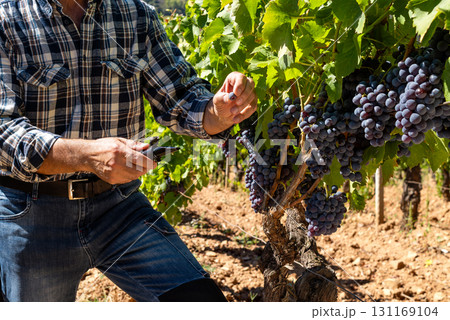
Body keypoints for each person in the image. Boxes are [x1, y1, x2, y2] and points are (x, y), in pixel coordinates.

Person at [0, 0, 257, 301]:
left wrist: (220, 111)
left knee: (200, 302)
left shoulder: (136, 14)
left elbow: (181, 99)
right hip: (31, 213)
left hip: (118, 206)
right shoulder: (7, 18)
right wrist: (86, 155)